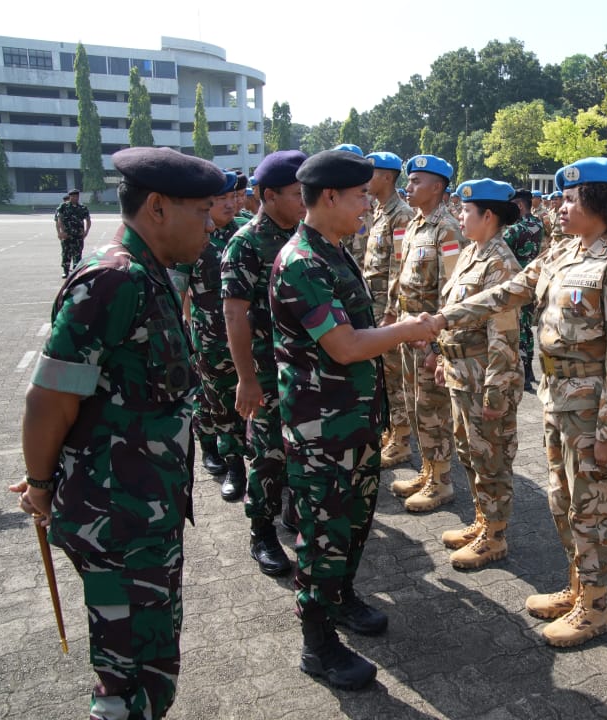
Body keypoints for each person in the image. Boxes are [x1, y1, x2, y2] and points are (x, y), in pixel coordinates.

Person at [12, 147, 226, 719]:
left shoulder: (151, 275)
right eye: (202, 211)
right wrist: (39, 483)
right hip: (117, 523)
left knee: (147, 664)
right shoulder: (113, 281)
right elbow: (49, 398)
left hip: (142, 516)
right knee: (129, 677)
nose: (212, 224)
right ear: (157, 207)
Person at [430, 157, 607, 647]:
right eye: (562, 198)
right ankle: (577, 585)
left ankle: (595, 605)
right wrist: (445, 318)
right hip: (557, 399)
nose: (559, 207)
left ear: (600, 202)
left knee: (592, 508)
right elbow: (507, 291)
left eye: (570, 199)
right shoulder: (563, 253)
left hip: (593, 411)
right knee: (562, 501)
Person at [269, 149, 438, 690]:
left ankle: (339, 599)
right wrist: (408, 329)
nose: (369, 203)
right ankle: (317, 645)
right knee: (323, 536)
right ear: (330, 198)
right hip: (322, 431)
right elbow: (343, 346)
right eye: (361, 195)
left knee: (352, 524)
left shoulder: (333, 251)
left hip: (352, 422)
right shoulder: (302, 262)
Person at [432, 178, 524, 569]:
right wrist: (442, 360)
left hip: (484, 376)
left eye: (466, 211)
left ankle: (495, 536)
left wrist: (496, 392)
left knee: (491, 458)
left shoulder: (501, 263)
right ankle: (482, 520)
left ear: (488, 216)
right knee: (470, 453)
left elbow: (503, 333)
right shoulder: (473, 254)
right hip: (460, 373)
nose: (459, 216)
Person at [222, 149, 307, 576]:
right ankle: (261, 531)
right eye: (297, 194)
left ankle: (292, 513)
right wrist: (246, 379)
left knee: (301, 449)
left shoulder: (305, 236)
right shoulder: (246, 243)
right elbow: (234, 314)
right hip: (267, 370)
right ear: (267, 195)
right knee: (270, 453)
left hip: (304, 369)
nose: (304, 202)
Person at [383, 154, 467, 511]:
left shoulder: (447, 228)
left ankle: (442, 481)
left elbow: (452, 290)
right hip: (407, 332)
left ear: (437, 187)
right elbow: (400, 275)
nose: (409, 186)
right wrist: (391, 314)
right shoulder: (415, 224)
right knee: (414, 405)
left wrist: (438, 345)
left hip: (428, 336)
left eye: (417, 181)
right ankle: (427, 470)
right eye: (409, 180)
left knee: (433, 410)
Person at [168, 171, 250, 499]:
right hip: (211, 338)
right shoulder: (193, 236)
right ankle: (233, 466)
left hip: (246, 336)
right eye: (222, 199)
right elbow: (180, 292)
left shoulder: (245, 233)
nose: (231, 203)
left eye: (234, 197)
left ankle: (254, 459)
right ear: (208, 202)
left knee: (251, 402)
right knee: (219, 405)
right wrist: (189, 331)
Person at [363, 151, 417, 468]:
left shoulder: (401, 215)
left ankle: (402, 440)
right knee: (384, 375)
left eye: (371, 172)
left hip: (388, 308)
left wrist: (392, 312)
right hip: (376, 304)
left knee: (394, 376)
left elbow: (400, 267)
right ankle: (392, 430)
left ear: (387, 176)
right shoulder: (381, 212)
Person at [502, 188, 545, 391]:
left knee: (518, 328)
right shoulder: (538, 223)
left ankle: (523, 373)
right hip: (533, 282)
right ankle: (529, 371)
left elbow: (500, 250)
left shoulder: (515, 230)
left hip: (517, 283)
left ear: (519, 205)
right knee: (527, 327)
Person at [55, 188, 91, 278]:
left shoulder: (83, 208)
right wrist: (60, 232)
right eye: (73, 196)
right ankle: (65, 271)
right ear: (70, 196)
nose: (75, 198)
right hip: (66, 235)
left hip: (78, 235)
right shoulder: (63, 206)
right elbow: (59, 219)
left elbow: (88, 220)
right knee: (66, 253)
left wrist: (86, 232)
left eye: (77, 196)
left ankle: (76, 271)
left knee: (78, 254)